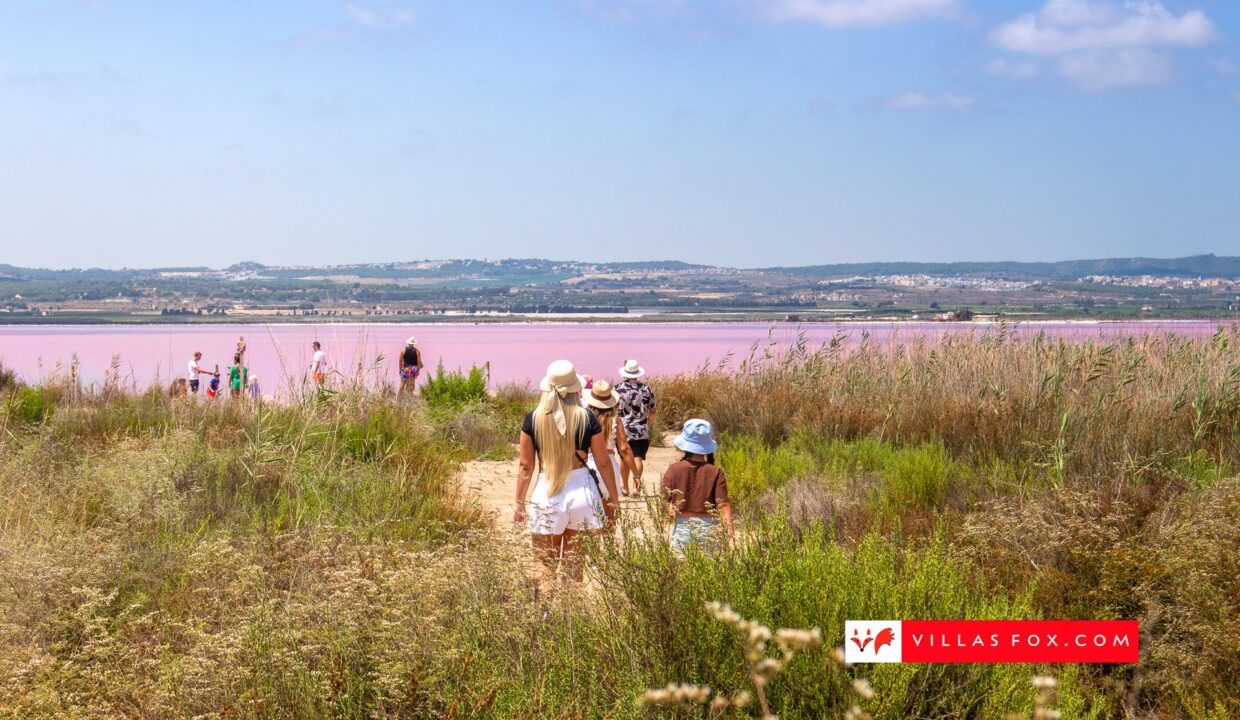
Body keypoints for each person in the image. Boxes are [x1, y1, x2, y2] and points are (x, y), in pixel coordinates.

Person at [514, 360, 619, 579]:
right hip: (582, 491)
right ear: (575, 389)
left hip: (548, 490)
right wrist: (614, 500)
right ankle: (571, 612)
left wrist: (519, 504)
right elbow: (603, 462)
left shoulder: (533, 419)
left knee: (543, 565)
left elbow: (526, 465)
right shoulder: (587, 417)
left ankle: (545, 612)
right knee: (575, 568)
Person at [663, 419, 734, 557]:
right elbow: (723, 505)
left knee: (681, 572)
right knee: (708, 571)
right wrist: (730, 535)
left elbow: (666, 500)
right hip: (709, 529)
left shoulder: (674, 469)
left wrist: (670, 507)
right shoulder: (716, 472)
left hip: (683, 527)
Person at [584, 379, 640, 497]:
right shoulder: (615, 420)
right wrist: (635, 475)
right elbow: (624, 448)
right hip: (609, 463)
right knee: (610, 510)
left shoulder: (584, 418)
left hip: (587, 463)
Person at [616, 359, 656, 492]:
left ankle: (625, 488)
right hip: (641, 429)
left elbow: (612, 408)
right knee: (638, 457)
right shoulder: (646, 389)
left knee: (624, 458)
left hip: (623, 430)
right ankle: (636, 487)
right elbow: (653, 408)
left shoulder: (617, 389)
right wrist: (648, 420)